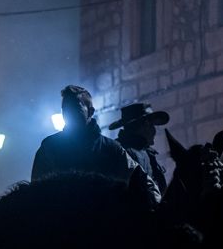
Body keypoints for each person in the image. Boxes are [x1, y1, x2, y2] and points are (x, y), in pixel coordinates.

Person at [32, 85, 161, 203]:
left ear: (91, 111)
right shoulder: (50, 147)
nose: (69, 113)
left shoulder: (111, 148)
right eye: (65, 108)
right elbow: (36, 191)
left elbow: (142, 180)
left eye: (75, 107)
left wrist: (159, 207)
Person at [110, 103, 169, 195]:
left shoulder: (144, 152)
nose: (154, 131)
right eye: (152, 125)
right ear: (146, 125)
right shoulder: (125, 152)